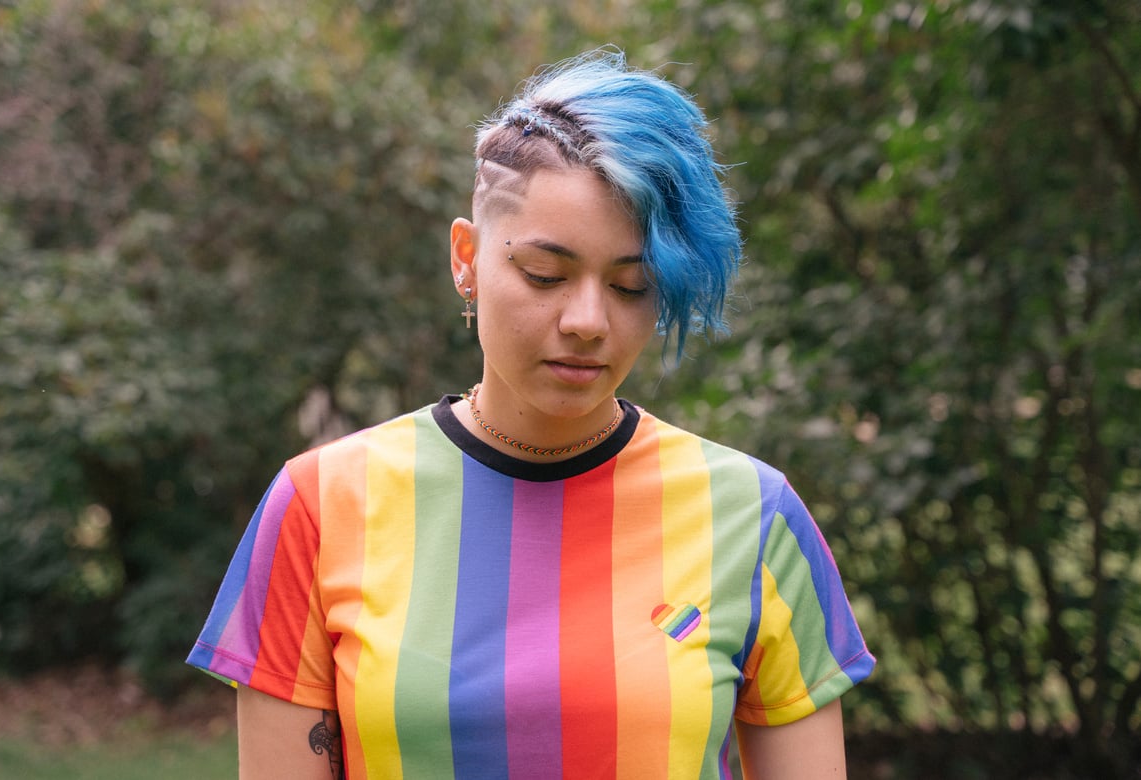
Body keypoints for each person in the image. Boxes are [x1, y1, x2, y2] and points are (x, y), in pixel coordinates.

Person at [187, 48, 875, 779]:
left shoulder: (752, 516)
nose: (587, 319)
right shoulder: (320, 508)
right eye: (545, 274)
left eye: (632, 286)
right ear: (466, 256)